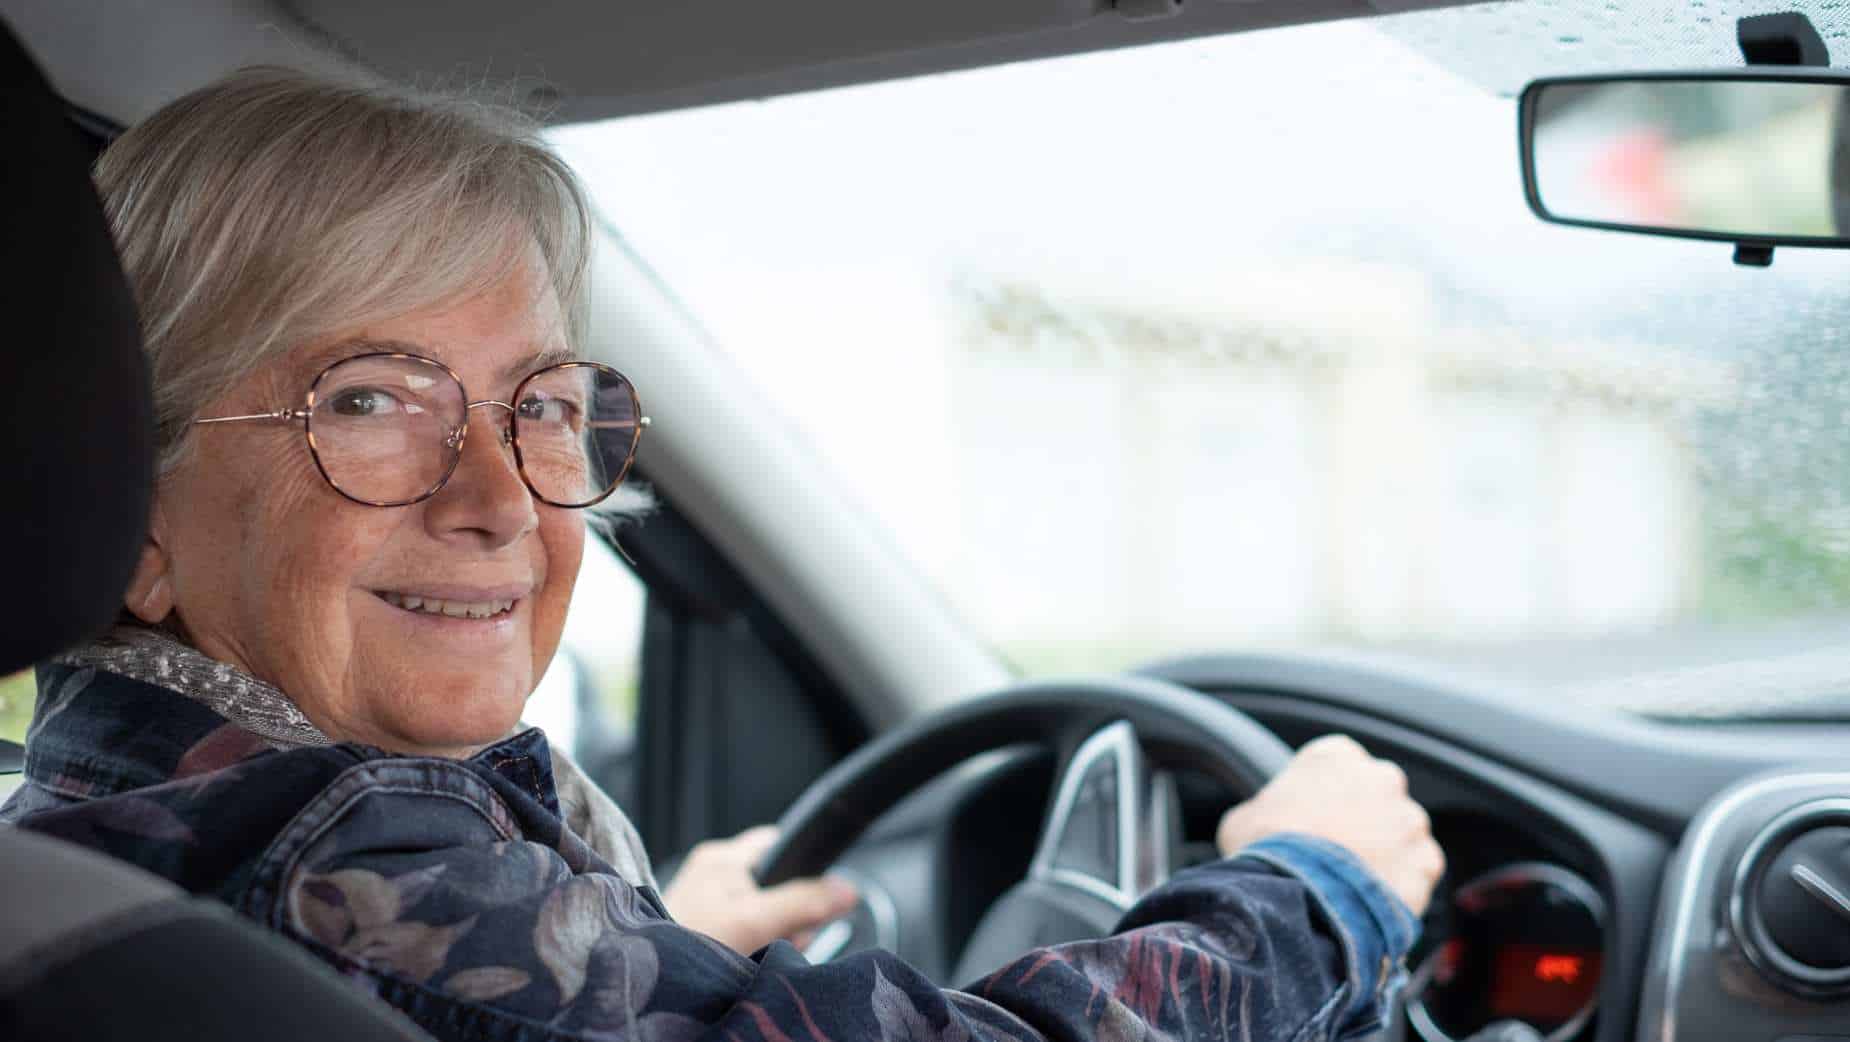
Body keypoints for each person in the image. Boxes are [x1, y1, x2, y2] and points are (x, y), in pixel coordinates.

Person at [1, 68, 1443, 1042]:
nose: (500, 494)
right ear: (135, 505)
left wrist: (637, 938)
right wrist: (1312, 894)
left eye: (544, 408)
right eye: (369, 401)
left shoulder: (105, 847)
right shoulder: (325, 857)